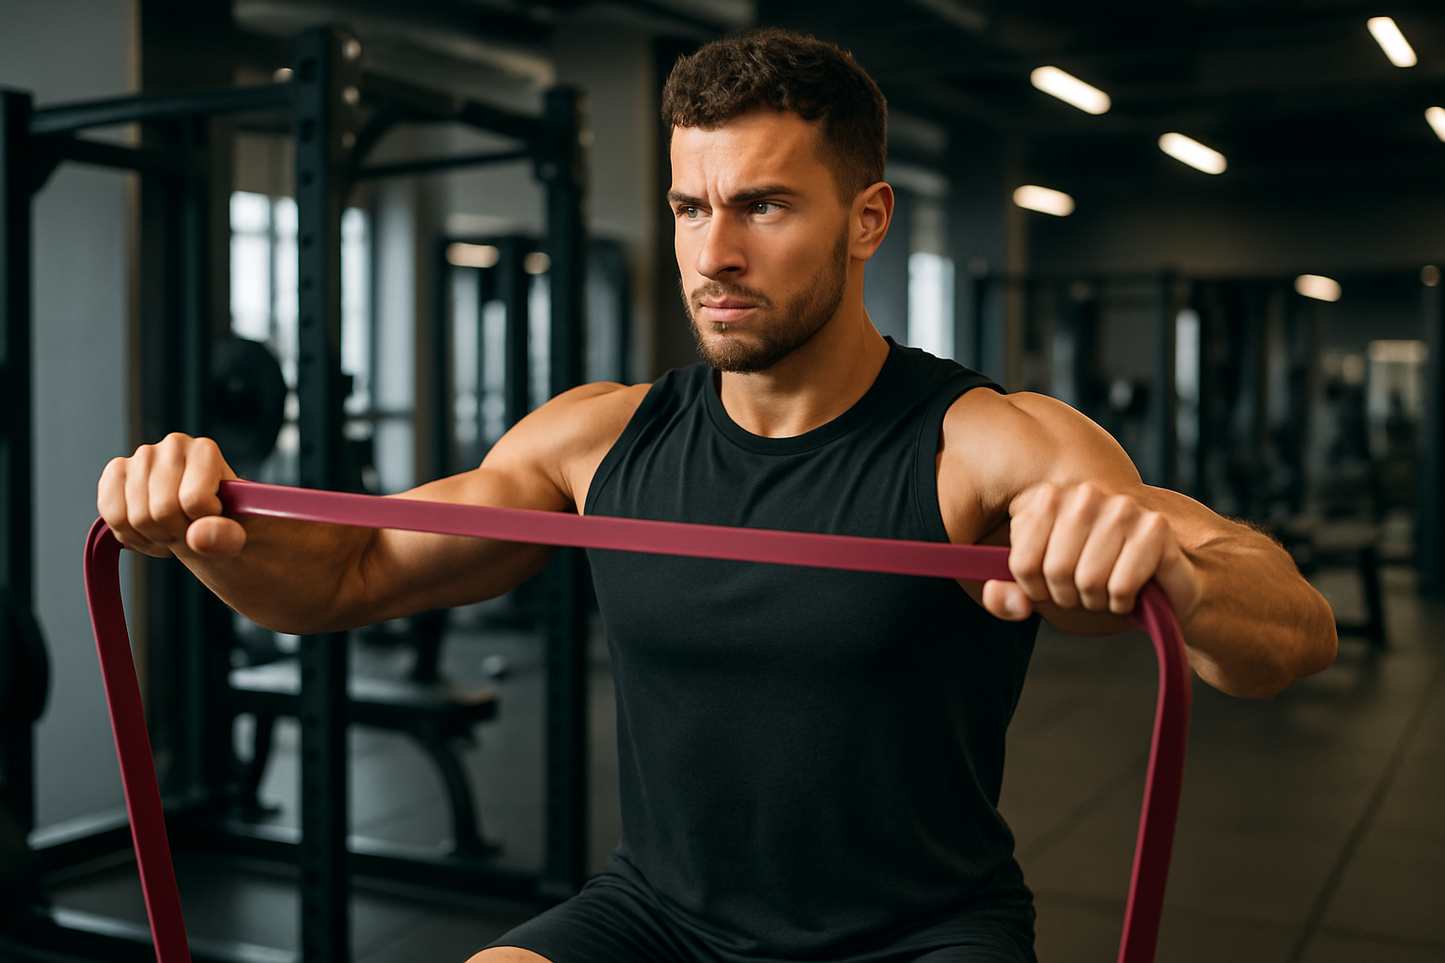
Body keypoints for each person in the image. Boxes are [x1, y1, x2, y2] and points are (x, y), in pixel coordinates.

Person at [98, 27, 1337, 963]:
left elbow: (1286, 630)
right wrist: (202, 530)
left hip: (916, 936)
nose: (711, 252)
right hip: (657, 918)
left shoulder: (980, 445)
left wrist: (1165, 565)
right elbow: (345, 580)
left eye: (760, 205)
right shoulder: (599, 438)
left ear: (866, 220)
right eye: (691, 205)